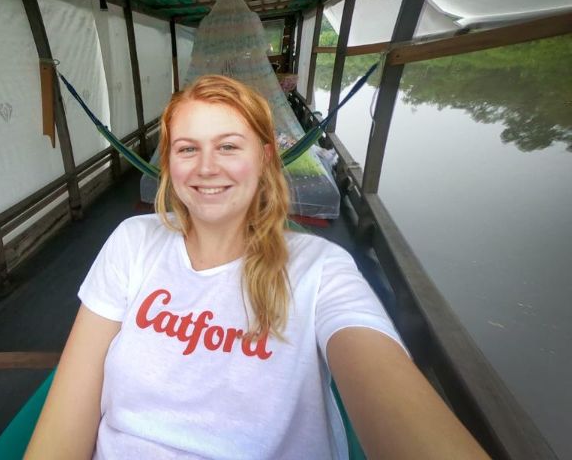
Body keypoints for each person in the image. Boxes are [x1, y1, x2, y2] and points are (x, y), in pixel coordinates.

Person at [24, 75, 489, 460]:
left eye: (228, 146)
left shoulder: (320, 270)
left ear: (264, 157)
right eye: (187, 149)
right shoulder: (134, 241)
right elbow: (69, 404)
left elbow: (391, 394)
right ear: (167, 163)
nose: (206, 167)